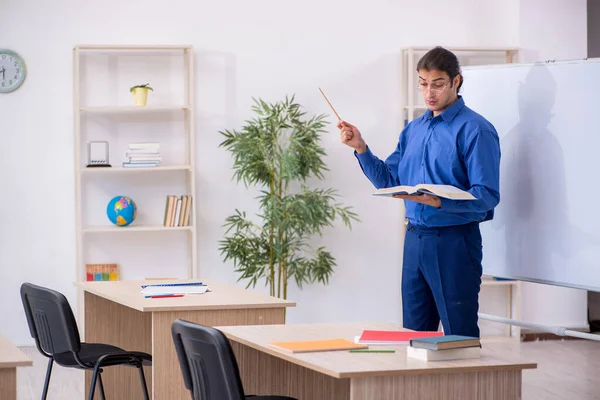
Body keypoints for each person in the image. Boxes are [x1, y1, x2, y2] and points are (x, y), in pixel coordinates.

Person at [338, 46, 500, 338]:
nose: (429, 93)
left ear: (456, 81)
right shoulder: (413, 130)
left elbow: (486, 196)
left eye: (437, 84)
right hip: (414, 240)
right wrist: (361, 148)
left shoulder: (476, 129)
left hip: (454, 242)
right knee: (413, 337)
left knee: (458, 337)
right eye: (423, 84)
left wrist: (438, 201)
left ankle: (461, 384)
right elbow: (389, 180)